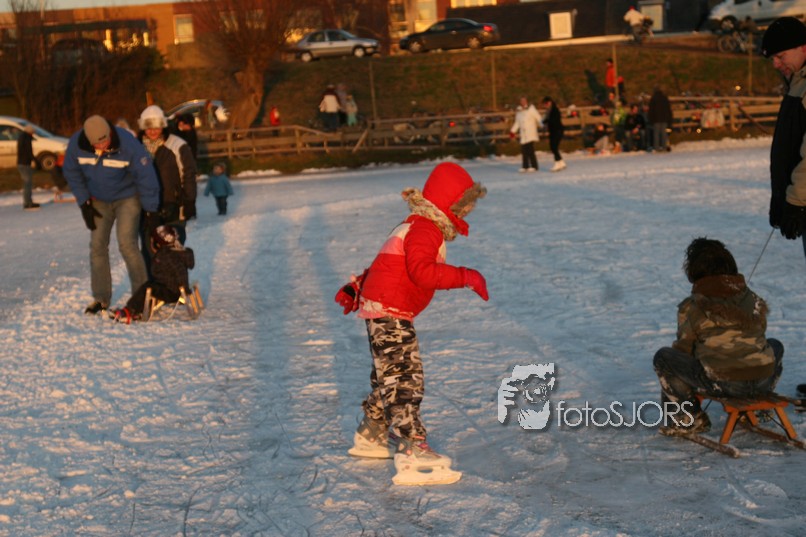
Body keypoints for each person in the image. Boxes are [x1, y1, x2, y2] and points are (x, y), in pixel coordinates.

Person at [335, 162, 488, 485]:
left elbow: (385, 262)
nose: (468, 212)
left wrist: (357, 287)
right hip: (390, 309)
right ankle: (411, 446)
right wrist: (465, 276)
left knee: (389, 375)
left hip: (384, 305)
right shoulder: (425, 230)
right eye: (464, 205)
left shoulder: (417, 224)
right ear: (448, 202)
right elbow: (422, 272)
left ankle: (373, 432)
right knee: (404, 377)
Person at [652, 238, 783, 436]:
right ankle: (758, 406)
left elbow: (684, 349)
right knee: (775, 345)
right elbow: (759, 336)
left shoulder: (693, 306)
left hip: (724, 382)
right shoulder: (753, 298)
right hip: (762, 379)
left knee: (664, 358)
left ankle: (687, 418)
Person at [62, 115, 161, 315]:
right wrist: (84, 202)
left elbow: (146, 175)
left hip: (127, 197)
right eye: (98, 144)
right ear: (89, 141)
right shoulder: (76, 145)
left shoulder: (127, 143)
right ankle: (101, 298)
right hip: (98, 199)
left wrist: (151, 209)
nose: (103, 145)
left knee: (127, 244)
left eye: (105, 140)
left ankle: (142, 297)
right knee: (97, 246)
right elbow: (72, 172)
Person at [760, 18, 806, 245]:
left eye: (780, 56)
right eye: (773, 59)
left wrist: (796, 201)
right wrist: (780, 199)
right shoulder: (797, 84)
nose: (776, 64)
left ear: (803, 47)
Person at [137, 105, 197, 248]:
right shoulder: (135, 147)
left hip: (172, 206)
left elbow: (188, 173)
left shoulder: (177, 145)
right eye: (149, 127)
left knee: (173, 249)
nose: (153, 131)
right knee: (149, 249)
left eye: (156, 127)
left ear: (163, 126)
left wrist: (189, 200)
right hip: (146, 209)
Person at [109, 225, 195, 324]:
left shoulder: (165, 256)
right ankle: (137, 309)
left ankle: (130, 311)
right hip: (174, 289)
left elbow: (178, 272)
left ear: (157, 244)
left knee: (147, 287)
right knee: (151, 286)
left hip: (171, 292)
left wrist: (184, 290)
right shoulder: (176, 252)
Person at [510, 96, 543, 172]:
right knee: (524, 150)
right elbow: (517, 123)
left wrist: (543, 124)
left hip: (530, 133)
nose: (523, 102)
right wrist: (512, 131)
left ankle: (534, 166)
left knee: (530, 150)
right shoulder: (519, 111)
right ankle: (525, 166)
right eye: (521, 101)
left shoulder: (531, 109)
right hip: (523, 134)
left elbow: (538, 117)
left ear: (526, 101)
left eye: (524, 100)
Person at [17, 124, 39, 210]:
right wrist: (35, 160)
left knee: (27, 183)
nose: (33, 134)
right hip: (25, 164)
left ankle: (28, 202)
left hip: (21, 163)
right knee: (27, 184)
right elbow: (28, 151)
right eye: (33, 132)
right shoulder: (27, 138)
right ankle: (28, 203)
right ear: (30, 132)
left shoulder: (22, 137)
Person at [541, 96, 566, 172]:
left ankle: (557, 163)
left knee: (554, 147)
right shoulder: (548, 111)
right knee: (553, 147)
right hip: (553, 131)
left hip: (557, 130)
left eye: (546, 103)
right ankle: (561, 162)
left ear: (550, 102)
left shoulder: (555, 110)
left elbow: (554, 120)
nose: (545, 105)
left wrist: (546, 121)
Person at [648, 86, 673, 152]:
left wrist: (651, 119)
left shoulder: (653, 99)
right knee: (664, 134)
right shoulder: (665, 98)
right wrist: (669, 119)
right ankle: (664, 147)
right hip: (664, 119)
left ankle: (657, 147)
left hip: (656, 119)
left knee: (656, 134)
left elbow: (651, 110)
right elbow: (668, 109)